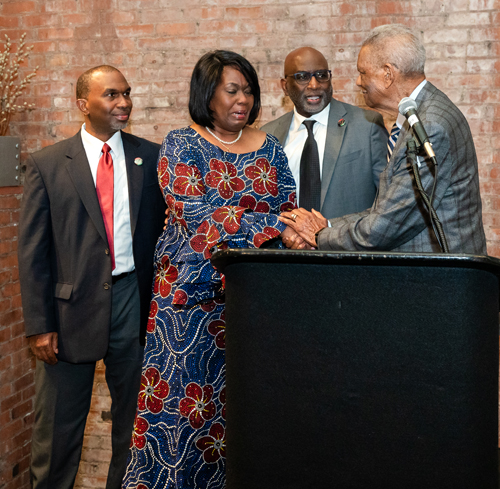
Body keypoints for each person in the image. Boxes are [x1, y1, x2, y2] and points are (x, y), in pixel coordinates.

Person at [123, 50, 296, 489]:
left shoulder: (270, 146)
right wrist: (277, 224)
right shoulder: (181, 144)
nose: (244, 100)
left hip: (253, 302)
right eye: (232, 90)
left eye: (249, 91)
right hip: (188, 308)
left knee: (243, 413)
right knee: (183, 415)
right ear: (208, 94)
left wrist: (285, 224)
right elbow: (202, 219)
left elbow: (289, 209)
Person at [18, 65, 166, 489]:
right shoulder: (47, 164)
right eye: (112, 95)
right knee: (57, 435)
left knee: (133, 432)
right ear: (84, 104)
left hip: (133, 305)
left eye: (127, 94)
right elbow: (32, 252)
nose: (124, 103)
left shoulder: (151, 157)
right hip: (68, 314)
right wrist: (39, 325)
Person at [280, 24, 487, 255]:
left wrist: (319, 235)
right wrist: (325, 225)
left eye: (363, 73)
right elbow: (387, 209)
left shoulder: (428, 126)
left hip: (438, 279)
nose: (358, 82)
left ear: (388, 74)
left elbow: (387, 226)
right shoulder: (420, 113)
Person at [261, 46, 387, 219]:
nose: (314, 85)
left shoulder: (367, 125)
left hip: (347, 243)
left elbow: (387, 202)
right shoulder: (268, 135)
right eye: (302, 77)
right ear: (285, 86)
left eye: (321, 75)